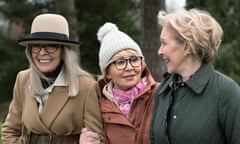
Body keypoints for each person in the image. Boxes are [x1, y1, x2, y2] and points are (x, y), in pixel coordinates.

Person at [1, 13, 105, 144]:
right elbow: (10, 130)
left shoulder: (86, 86)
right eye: (36, 46)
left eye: (50, 45)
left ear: (63, 50)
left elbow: (97, 139)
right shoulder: (23, 79)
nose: (42, 52)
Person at [150, 8, 240, 144]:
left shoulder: (227, 92)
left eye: (164, 43)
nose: (159, 51)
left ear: (186, 47)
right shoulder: (163, 91)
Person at [80, 22, 159, 144]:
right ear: (107, 72)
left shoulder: (160, 93)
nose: (129, 67)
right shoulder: (97, 101)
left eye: (134, 60)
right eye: (120, 62)